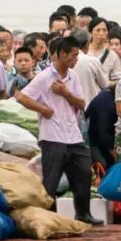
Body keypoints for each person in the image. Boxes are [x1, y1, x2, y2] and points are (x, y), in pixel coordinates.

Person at [15, 36, 101, 225]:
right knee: (51, 180)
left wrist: (66, 93)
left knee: (83, 173)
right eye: (73, 55)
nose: (76, 59)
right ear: (61, 55)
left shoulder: (73, 76)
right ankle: (46, 216)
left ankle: (83, 213)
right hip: (52, 136)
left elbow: (81, 103)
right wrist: (43, 109)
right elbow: (21, 97)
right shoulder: (45, 76)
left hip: (73, 135)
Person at [70, 28, 108, 104]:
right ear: (87, 44)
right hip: (89, 107)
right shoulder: (93, 61)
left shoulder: (63, 60)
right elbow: (105, 85)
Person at [85, 17, 121, 82]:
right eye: (98, 30)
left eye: (104, 30)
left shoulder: (112, 55)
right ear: (91, 32)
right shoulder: (83, 52)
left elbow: (117, 80)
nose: (101, 33)